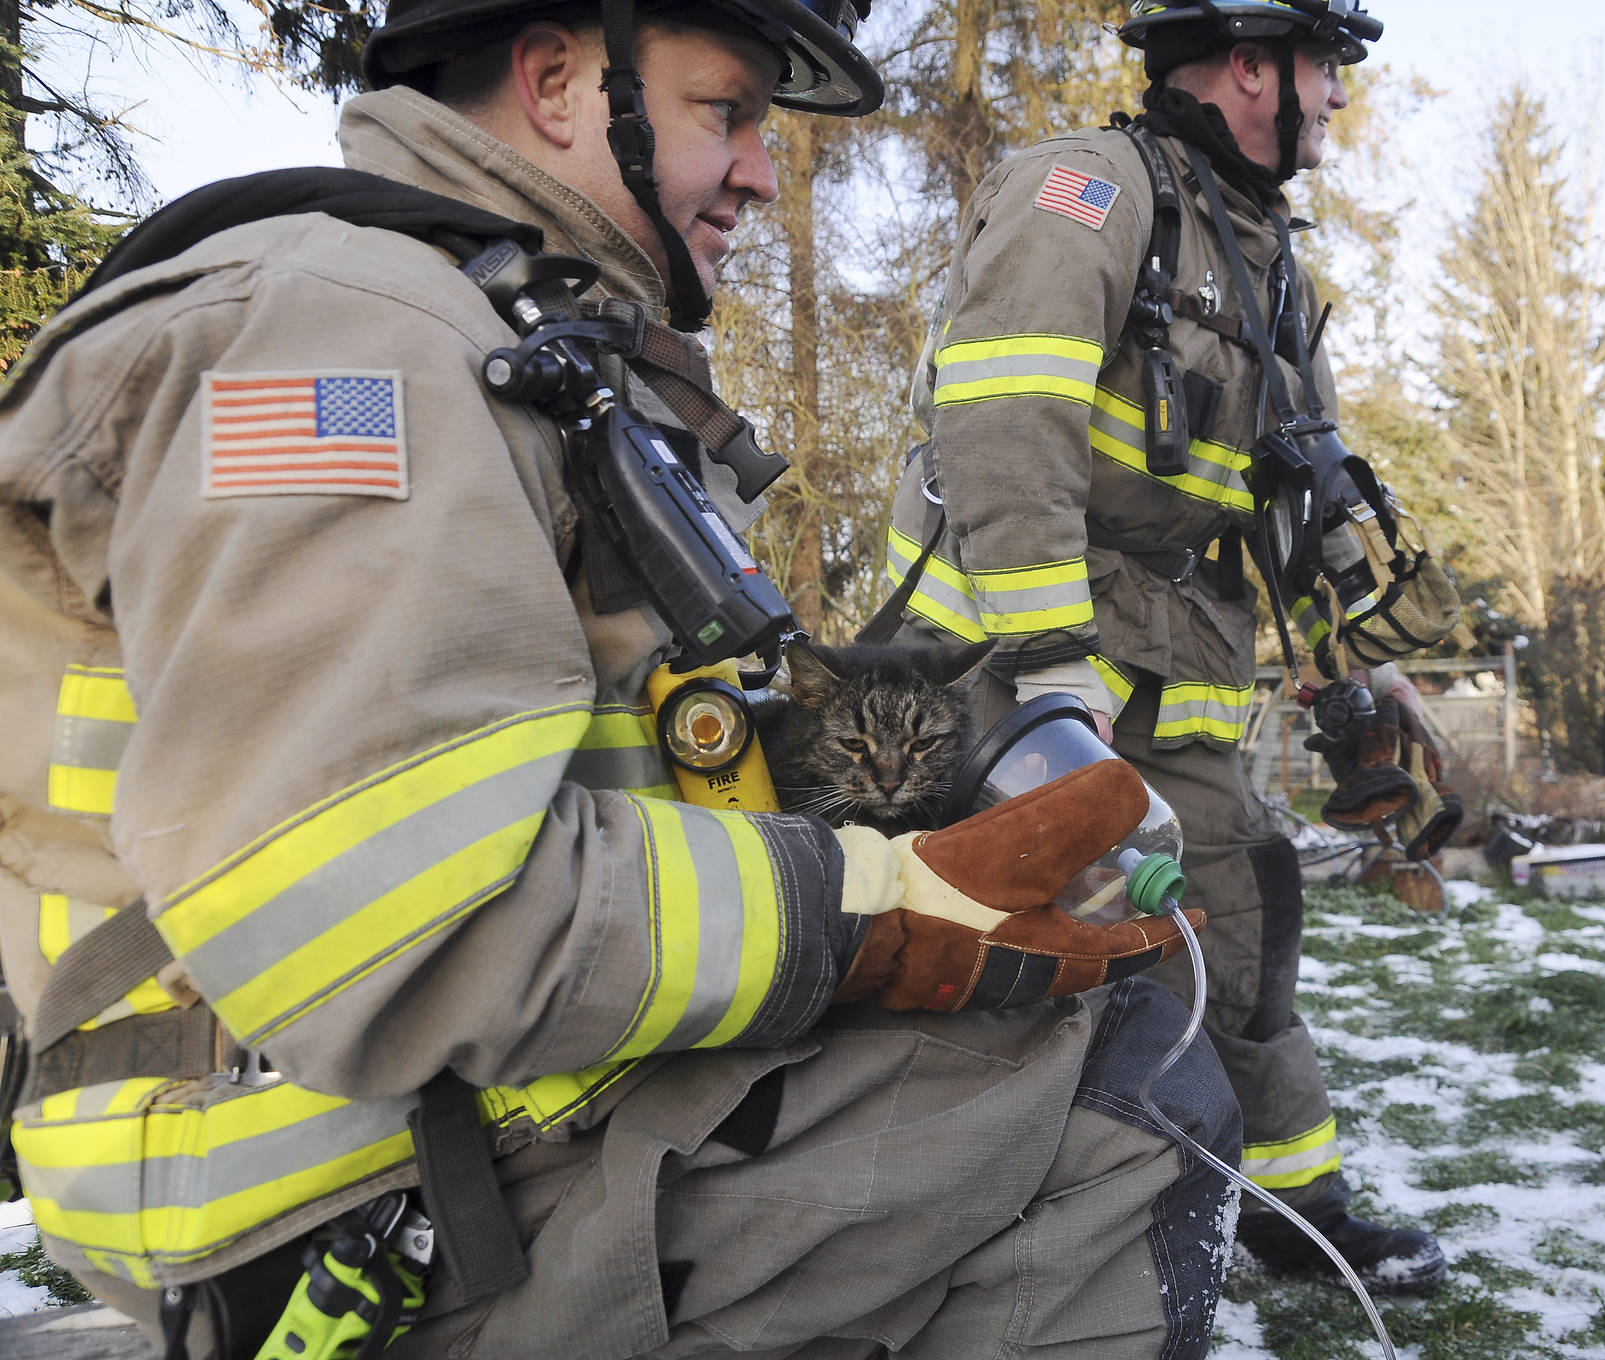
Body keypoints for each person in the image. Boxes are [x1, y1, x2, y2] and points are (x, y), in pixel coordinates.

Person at [0, 3, 1243, 1357]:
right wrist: (873, 907)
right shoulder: (348, 337)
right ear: (555, 80)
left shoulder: (506, 336)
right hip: (308, 1181)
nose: (764, 171)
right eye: (729, 113)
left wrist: (901, 839)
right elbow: (394, 928)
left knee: (1083, 1009)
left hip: (445, 1096)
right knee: (1116, 1104)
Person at [883, 0, 1448, 1292]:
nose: (1339, 102)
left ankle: (1290, 1212)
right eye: (1326, 69)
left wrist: (1358, 660)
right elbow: (1003, 420)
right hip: (1016, 666)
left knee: (1243, 917)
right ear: (1252, 65)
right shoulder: (1085, 191)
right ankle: (962, 1239)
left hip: (1177, 657)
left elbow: (1300, 493)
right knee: (1012, 949)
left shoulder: (1266, 256)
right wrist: (1046, 669)